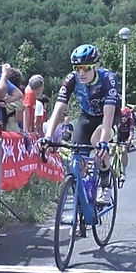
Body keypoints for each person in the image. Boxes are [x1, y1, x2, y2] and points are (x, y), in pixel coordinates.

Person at [40, 44, 120, 205]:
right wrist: (48, 136)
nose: (81, 73)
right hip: (87, 117)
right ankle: (80, 203)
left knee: (97, 142)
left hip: (108, 116)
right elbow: (59, 107)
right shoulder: (72, 79)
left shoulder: (107, 78)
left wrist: (104, 141)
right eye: (77, 68)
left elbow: (109, 111)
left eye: (85, 68)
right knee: (78, 155)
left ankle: (104, 184)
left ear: (95, 66)